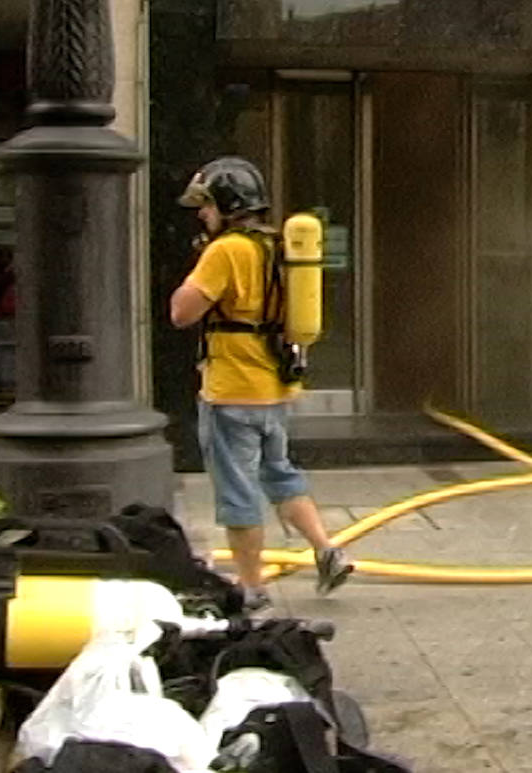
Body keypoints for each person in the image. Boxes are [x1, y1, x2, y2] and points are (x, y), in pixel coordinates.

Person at [169, 156, 353, 611]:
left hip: (232, 390)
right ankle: (327, 551)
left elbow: (182, 312)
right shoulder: (277, 245)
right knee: (280, 474)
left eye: (206, 206)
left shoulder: (227, 251)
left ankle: (252, 589)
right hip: (274, 387)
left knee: (237, 491)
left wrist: (197, 271)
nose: (202, 215)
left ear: (228, 206)